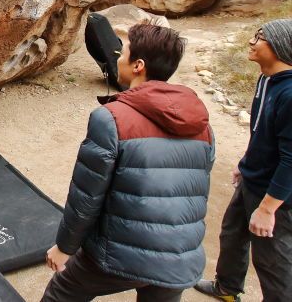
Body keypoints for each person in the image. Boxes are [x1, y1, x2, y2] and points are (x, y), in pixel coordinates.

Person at [42, 22, 215, 302]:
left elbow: (86, 195)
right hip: (181, 257)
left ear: (138, 66)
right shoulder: (202, 124)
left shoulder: (111, 118)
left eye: (122, 54)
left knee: (61, 293)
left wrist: (65, 246)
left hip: (123, 252)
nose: (118, 59)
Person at [195, 19, 292, 302]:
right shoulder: (266, 79)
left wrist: (268, 208)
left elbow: (291, 160)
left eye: (259, 37)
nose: (251, 42)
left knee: (272, 259)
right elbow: (261, 130)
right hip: (253, 177)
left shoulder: (289, 94)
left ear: (280, 46)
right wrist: (246, 160)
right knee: (233, 234)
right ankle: (227, 288)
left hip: (275, 193)